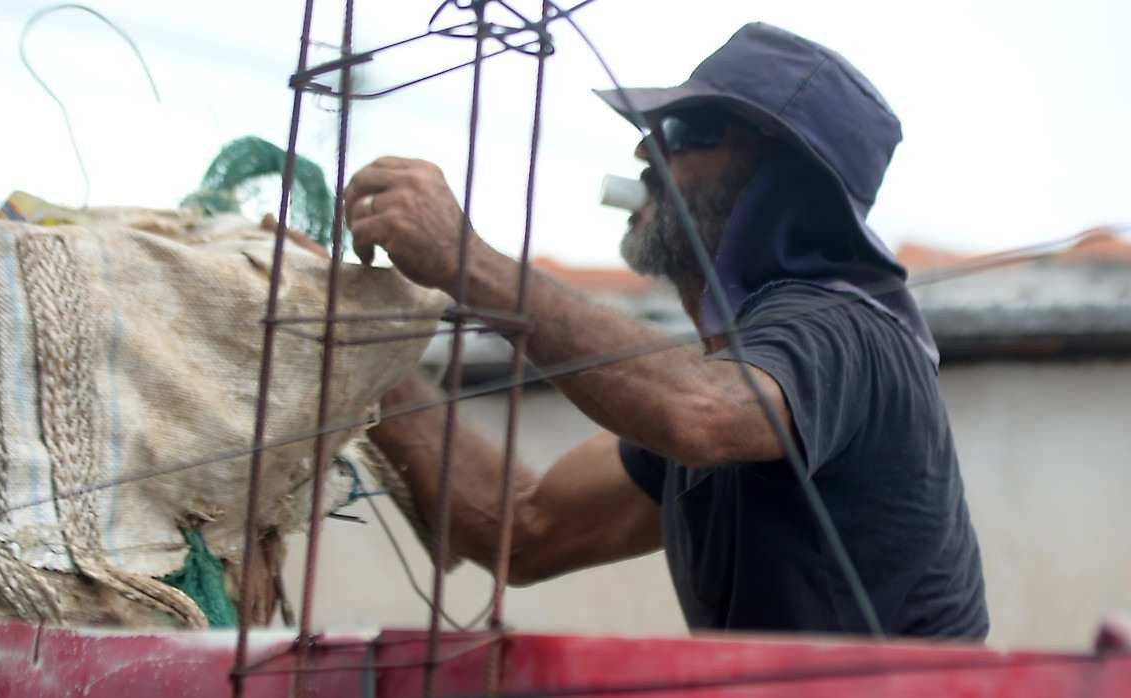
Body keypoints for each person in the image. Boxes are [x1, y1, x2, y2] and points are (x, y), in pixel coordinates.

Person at [343, 22, 988, 638]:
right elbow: (527, 528)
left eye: (685, 129)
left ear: (782, 180)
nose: (645, 151)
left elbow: (700, 411)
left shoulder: (845, 330)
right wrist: (351, 345)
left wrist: (465, 261)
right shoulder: (723, 392)